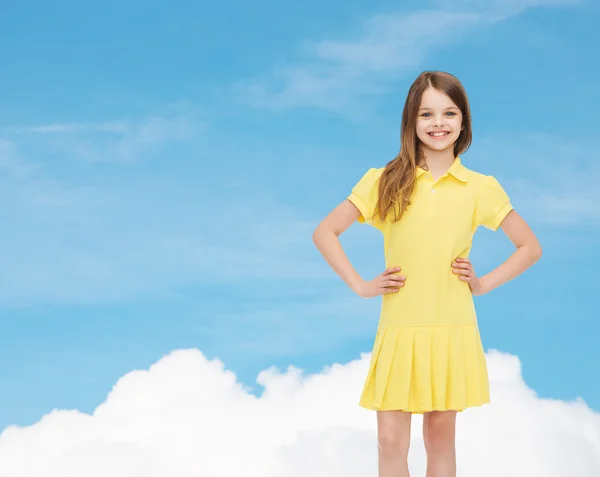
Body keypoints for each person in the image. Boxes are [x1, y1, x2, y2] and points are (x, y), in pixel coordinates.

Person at [312, 70, 542, 477]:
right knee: (389, 441)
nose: (439, 123)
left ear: (463, 122)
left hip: (451, 326)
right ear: (411, 122)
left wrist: (483, 283)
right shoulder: (383, 180)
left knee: (439, 439)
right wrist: (362, 286)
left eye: (449, 113)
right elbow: (325, 232)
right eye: (427, 114)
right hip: (400, 327)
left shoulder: (480, 187)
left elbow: (530, 247)